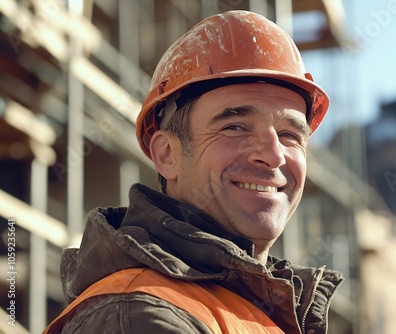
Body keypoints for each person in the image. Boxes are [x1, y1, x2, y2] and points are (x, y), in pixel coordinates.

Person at [44, 10, 343, 334]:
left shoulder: (253, 310)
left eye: (290, 136)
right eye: (235, 127)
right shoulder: (138, 313)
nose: (273, 156)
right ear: (167, 154)